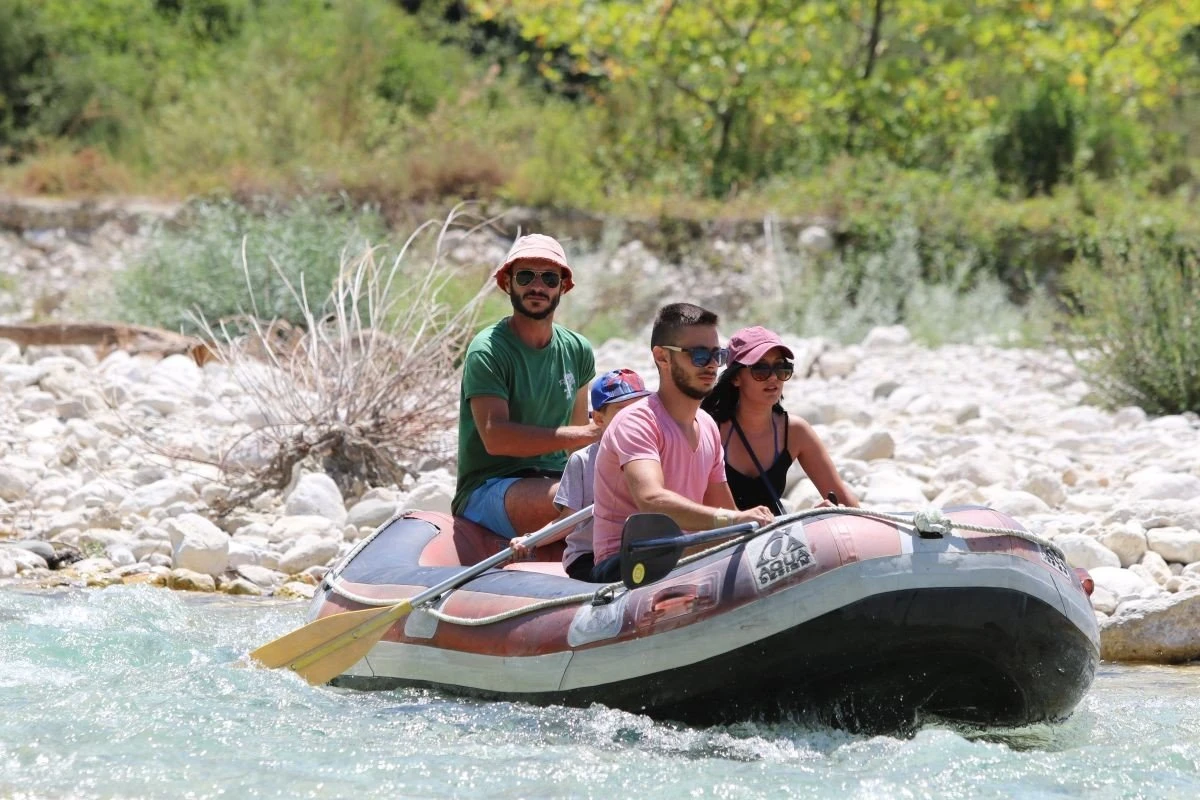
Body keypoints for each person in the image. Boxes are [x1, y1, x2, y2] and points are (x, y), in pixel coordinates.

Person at [587, 303, 775, 583]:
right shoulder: (636, 421)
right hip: (625, 566)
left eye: (718, 355)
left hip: (685, 559)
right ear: (662, 357)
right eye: (699, 355)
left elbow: (730, 516)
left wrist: (799, 525)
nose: (711, 364)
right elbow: (651, 500)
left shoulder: (708, 426)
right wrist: (732, 521)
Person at [452, 234, 600, 540]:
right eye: (525, 276)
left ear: (563, 286)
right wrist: (590, 432)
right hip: (490, 487)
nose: (537, 286)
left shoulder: (577, 349)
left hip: (557, 479)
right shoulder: (488, 350)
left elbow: (577, 447)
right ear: (508, 283)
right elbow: (497, 439)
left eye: (548, 278)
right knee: (585, 500)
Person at [509, 368, 652, 578]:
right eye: (622, 410)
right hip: (589, 556)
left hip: (636, 550)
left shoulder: (653, 455)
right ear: (599, 419)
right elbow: (568, 520)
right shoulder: (582, 461)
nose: (632, 419)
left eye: (638, 410)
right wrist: (531, 539)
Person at [701, 325, 859, 513]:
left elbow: (849, 505)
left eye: (781, 368)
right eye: (760, 369)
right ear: (736, 378)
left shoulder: (795, 432)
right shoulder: (709, 430)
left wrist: (826, 513)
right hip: (721, 538)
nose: (774, 378)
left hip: (772, 538)